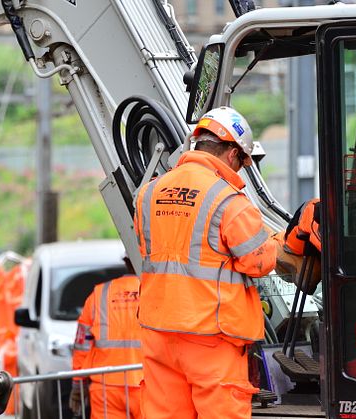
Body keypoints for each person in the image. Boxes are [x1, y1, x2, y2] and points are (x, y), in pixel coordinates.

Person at [134, 106, 278, 419]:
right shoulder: (228, 201)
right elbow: (259, 261)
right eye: (242, 161)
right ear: (231, 154)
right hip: (211, 337)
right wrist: (278, 242)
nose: (240, 170)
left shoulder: (148, 193)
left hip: (159, 333)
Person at [69, 256, 143, 419]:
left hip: (106, 388)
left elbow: (82, 346)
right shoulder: (156, 292)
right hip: (149, 385)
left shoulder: (99, 294)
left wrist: (77, 383)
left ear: (126, 262)